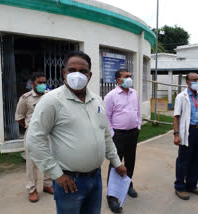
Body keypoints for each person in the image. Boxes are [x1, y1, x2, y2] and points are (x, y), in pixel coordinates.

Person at [26, 51, 126, 214]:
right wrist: (56, 174)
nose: (77, 75)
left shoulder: (97, 100)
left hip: (95, 178)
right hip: (69, 181)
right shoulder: (51, 101)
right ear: (64, 73)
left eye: (83, 71)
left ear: (90, 75)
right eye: (72, 70)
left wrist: (117, 162)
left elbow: (106, 134)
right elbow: (34, 140)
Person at [104, 69, 141, 213]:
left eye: (130, 76)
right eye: (126, 77)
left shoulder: (134, 93)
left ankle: (127, 185)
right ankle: (112, 196)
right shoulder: (111, 96)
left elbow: (137, 112)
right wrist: (112, 134)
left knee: (130, 161)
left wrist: (138, 126)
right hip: (118, 135)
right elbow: (106, 117)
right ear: (118, 80)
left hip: (133, 133)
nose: (129, 79)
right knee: (116, 164)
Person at [15, 72, 53, 203]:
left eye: (44, 82)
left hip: (49, 134)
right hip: (32, 135)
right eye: (39, 83)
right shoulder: (25, 98)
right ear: (32, 84)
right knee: (32, 164)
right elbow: (19, 118)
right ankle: (32, 190)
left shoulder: (50, 96)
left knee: (49, 160)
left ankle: (48, 185)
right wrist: (29, 127)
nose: (43, 85)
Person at [173, 72, 198, 200]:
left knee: (197, 160)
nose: (196, 82)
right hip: (187, 132)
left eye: (197, 79)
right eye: (193, 80)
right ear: (187, 82)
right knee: (183, 161)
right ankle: (179, 187)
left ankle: (192, 185)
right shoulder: (181, 97)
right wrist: (176, 134)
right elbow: (176, 117)